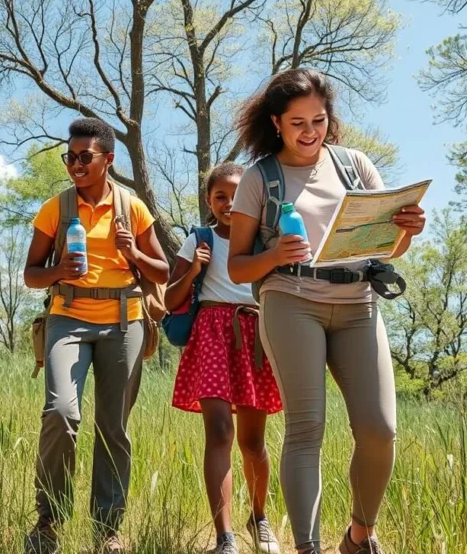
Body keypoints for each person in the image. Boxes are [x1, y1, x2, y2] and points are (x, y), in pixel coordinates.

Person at [226, 68, 426, 554]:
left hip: (359, 303)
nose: (309, 131)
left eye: (318, 119)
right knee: (307, 426)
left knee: (380, 429)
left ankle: (360, 535)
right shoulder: (259, 178)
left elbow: (388, 248)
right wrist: (275, 255)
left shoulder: (355, 165)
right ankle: (307, 546)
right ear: (277, 122)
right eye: (297, 122)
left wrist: (407, 230)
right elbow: (237, 268)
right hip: (292, 303)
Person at [22, 118, 169, 554]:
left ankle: (107, 530)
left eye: (85, 157)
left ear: (109, 158)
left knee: (113, 427)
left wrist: (132, 252)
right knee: (61, 413)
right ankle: (48, 520)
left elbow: (163, 271)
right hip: (67, 317)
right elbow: (31, 275)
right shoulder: (56, 208)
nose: (76, 164)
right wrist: (58, 271)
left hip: (126, 322)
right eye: (70, 157)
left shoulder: (133, 207)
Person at [165, 162, 282, 554]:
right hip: (213, 334)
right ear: (209, 201)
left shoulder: (266, 240)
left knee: (252, 442)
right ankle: (224, 537)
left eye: (237, 195)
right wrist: (195, 267)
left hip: (255, 336)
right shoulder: (198, 240)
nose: (229, 203)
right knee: (218, 433)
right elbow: (169, 300)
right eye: (220, 196)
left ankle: (259, 517)